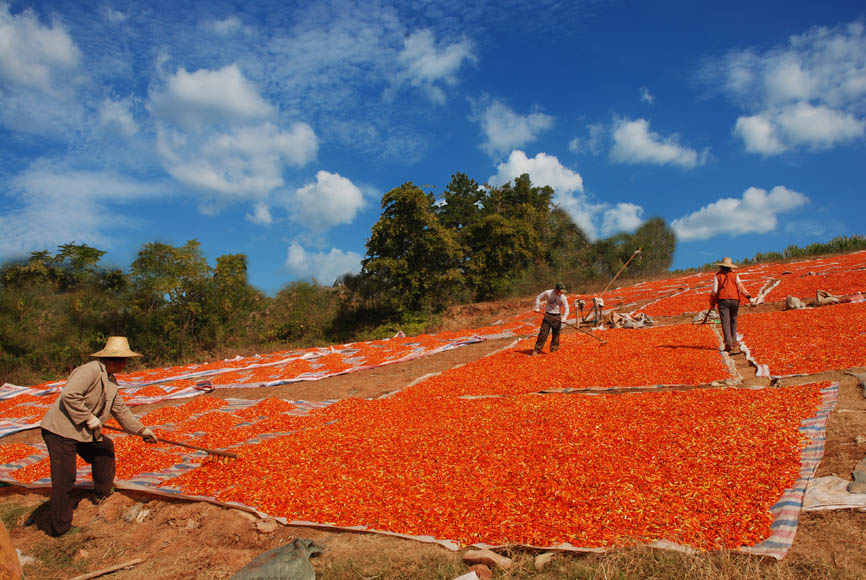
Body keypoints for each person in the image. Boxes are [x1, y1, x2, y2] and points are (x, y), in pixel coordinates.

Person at [40, 336, 157, 537]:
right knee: (65, 479)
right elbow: (69, 395)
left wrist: (141, 430)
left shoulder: (111, 380)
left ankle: (103, 494)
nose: (126, 364)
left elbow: (120, 410)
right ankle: (60, 527)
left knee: (104, 449)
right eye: (125, 360)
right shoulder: (90, 370)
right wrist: (88, 417)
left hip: (82, 430)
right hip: (61, 430)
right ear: (118, 359)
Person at [708, 257, 752, 353]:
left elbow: (714, 291)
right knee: (733, 320)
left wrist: (712, 302)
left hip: (723, 300)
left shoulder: (717, 276)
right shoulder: (735, 275)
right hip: (735, 300)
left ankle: (728, 343)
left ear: (721, 266)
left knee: (725, 321)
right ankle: (734, 341)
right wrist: (748, 296)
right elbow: (740, 287)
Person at [532, 282, 570, 355]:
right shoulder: (548, 292)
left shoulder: (563, 297)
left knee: (556, 334)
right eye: (560, 291)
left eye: (562, 292)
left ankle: (554, 349)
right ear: (556, 289)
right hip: (548, 315)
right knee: (543, 333)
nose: (561, 293)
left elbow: (567, 308)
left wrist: (564, 317)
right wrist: (537, 306)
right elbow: (538, 297)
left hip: (557, 316)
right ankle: (537, 349)